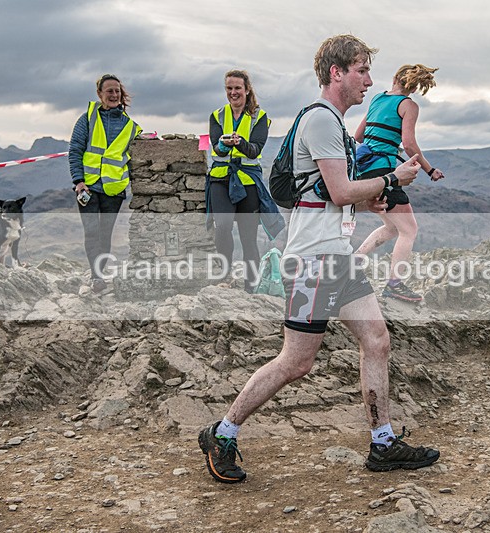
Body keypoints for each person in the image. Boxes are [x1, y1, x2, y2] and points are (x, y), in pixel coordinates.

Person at [198, 35, 440, 484]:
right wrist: (392, 177)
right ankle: (222, 432)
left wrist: (378, 196)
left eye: (368, 71)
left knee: (377, 341)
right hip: (312, 261)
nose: (369, 81)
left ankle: (382, 443)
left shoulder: (336, 126)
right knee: (296, 362)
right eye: (362, 71)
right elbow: (341, 191)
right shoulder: (323, 122)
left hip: (338, 256)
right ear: (337, 73)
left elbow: (339, 201)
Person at [354, 64, 445, 302]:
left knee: (392, 227)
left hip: (364, 169)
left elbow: (358, 137)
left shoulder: (377, 99)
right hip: (385, 172)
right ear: (416, 87)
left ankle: (354, 262)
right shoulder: (409, 105)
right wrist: (430, 170)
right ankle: (395, 284)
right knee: (409, 229)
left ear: (395, 77)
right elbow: (409, 145)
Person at [207, 69, 283, 293]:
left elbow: (254, 150)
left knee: (248, 237)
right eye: (229, 88)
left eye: (237, 88)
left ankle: (251, 285)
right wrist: (222, 145)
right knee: (221, 227)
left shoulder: (259, 117)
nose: (233, 92)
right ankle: (225, 274)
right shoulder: (217, 116)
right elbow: (215, 148)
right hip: (221, 179)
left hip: (248, 182)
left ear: (247, 89)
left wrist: (238, 143)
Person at [68, 74, 141, 293]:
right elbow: (75, 151)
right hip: (87, 187)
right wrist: (78, 181)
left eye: (117, 91)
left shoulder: (131, 126)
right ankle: (96, 276)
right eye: (109, 91)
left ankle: (100, 272)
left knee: (105, 233)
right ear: (99, 94)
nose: (114, 95)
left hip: (113, 189)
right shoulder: (87, 118)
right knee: (91, 232)